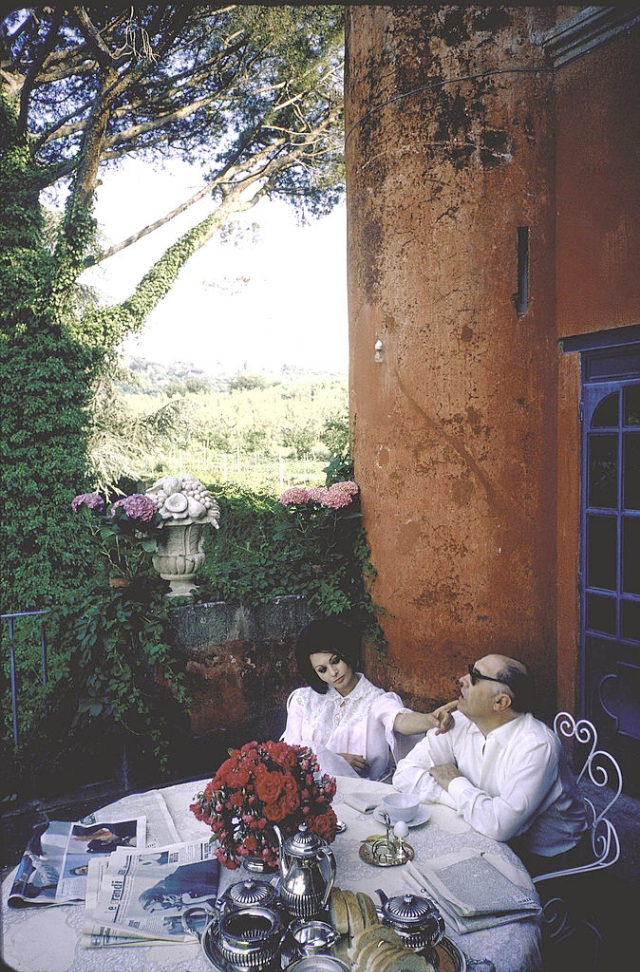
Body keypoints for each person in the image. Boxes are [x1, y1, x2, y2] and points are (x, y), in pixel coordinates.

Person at [392, 653, 589, 873]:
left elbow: (500, 826)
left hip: (548, 860)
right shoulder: (461, 721)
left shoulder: (537, 745)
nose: (462, 679)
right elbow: (403, 775)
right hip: (481, 834)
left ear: (501, 702)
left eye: (475, 677)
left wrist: (455, 782)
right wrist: (455, 795)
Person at [281, 618, 456, 781]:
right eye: (322, 670)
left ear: (346, 652)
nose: (333, 673)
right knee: (312, 749)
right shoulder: (303, 700)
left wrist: (430, 719)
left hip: (358, 793)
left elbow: (399, 719)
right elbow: (289, 755)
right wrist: (336, 759)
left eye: (335, 661)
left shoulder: (375, 700)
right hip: (308, 792)